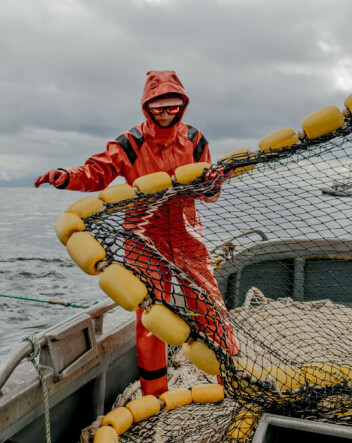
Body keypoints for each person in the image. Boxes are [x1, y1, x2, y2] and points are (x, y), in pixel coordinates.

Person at [35, 70, 233, 396]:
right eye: (158, 107)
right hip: (142, 239)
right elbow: (96, 173)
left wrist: (213, 184)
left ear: (182, 106)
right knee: (150, 317)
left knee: (210, 306)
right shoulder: (128, 144)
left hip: (187, 236)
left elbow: (209, 193)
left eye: (173, 106)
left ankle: (229, 381)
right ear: (147, 107)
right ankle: (154, 395)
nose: (166, 113)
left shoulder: (196, 141)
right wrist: (65, 176)